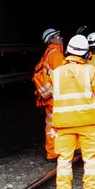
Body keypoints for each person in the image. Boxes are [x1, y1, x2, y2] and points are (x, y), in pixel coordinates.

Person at [51, 35, 95, 189]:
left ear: (68, 51)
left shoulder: (56, 73)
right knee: (90, 160)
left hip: (63, 124)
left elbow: (53, 95)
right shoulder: (92, 71)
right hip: (88, 123)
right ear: (87, 54)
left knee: (64, 160)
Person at [32, 29, 66, 160]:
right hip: (56, 97)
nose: (61, 38)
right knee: (60, 124)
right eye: (57, 36)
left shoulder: (47, 54)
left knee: (51, 125)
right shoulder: (56, 55)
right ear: (51, 40)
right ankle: (58, 152)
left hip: (49, 96)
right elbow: (63, 77)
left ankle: (52, 152)